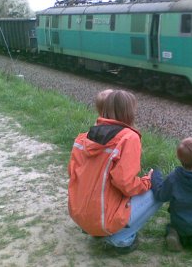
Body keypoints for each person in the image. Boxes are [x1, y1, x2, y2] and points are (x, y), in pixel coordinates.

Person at [68, 90, 162, 254]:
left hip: (79, 215)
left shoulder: (83, 138)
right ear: (129, 111)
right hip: (104, 220)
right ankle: (120, 239)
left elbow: (73, 174)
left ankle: (95, 228)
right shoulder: (128, 138)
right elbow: (125, 183)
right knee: (159, 189)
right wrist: (148, 181)